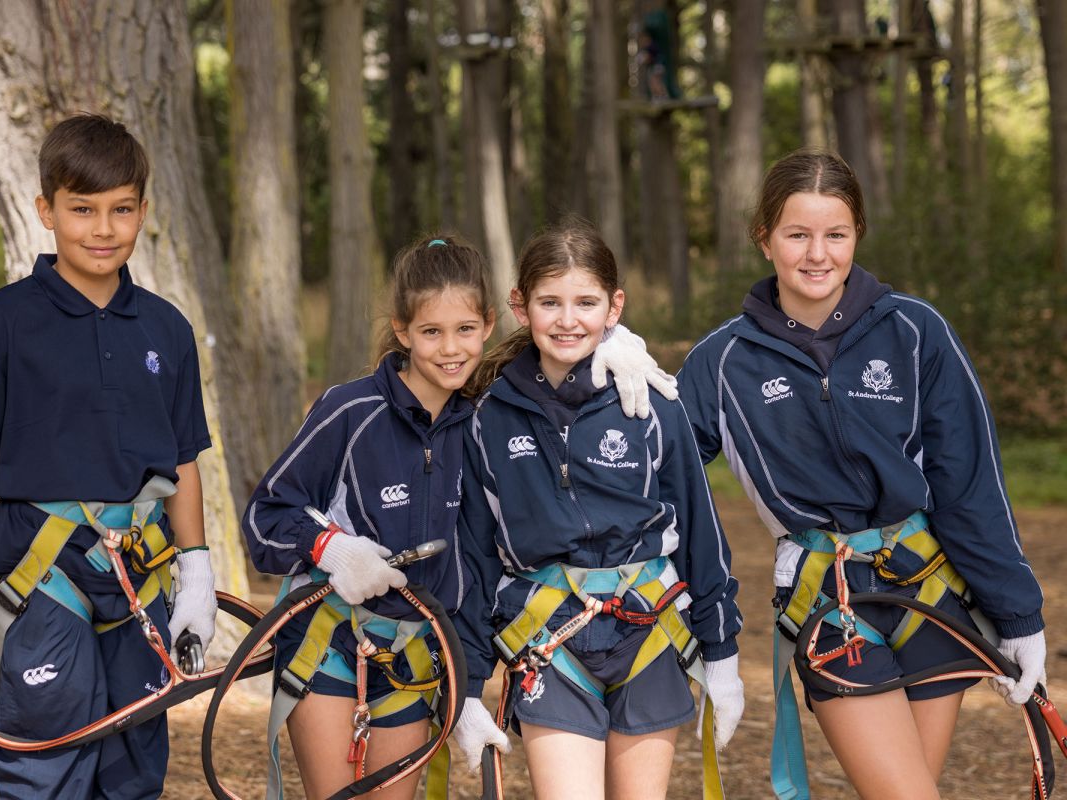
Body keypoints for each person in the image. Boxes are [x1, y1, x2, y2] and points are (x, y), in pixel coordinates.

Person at [242, 233, 669, 799]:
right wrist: (332, 548)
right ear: (402, 331)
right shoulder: (351, 411)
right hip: (327, 643)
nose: (450, 348)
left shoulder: (487, 419)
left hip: (417, 652)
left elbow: (558, 336)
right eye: (431, 332)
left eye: (465, 330)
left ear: (489, 324)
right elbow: (265, 517)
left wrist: (618, 344)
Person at [676, 148, 1046, 800]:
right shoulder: (721, 363)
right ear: (764, 240)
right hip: (830, 600)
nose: (817, 254)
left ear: (857, 237)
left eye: (836, 234)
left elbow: (969, 482)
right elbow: (657, 479)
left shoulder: (915, 332)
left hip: (930, 593)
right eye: (797, 234)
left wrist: (1019, 616)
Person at [0, 113, 218, 799]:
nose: (103, 229)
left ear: (143, 210)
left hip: (140, 572)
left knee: (135, 765)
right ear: (45, 210)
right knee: (44, 761)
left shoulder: (167, 329)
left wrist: (196, 572)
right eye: (82, 210)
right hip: (42, 574)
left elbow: (183, 461)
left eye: (121, 209)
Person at [452, 218, 744, 799]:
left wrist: (722, 652)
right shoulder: (488, 417)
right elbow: (474, 555)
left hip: (648, 634)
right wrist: (467, 685)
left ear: (615, 308)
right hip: (548, 638)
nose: (567, 319)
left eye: (586, 302)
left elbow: (700, 532)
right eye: (549, 303)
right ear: (520, 305)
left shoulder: (652, 404)